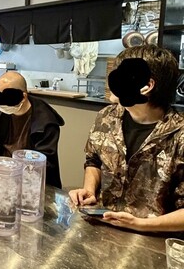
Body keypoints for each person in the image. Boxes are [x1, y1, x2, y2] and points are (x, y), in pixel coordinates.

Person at [69, 45, 184, 232]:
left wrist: (140, 224)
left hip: (153, 240)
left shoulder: (179, 134)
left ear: (146, 86)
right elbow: (94, 160)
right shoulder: (107, 116)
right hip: (104, 228)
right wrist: (89, 190)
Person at [0, 71, 64, 188]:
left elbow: (45, 163)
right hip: (2, 178)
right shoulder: (0, 111)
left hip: (33, 184)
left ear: (23, 96)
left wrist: (15, 172)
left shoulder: (46, 122)